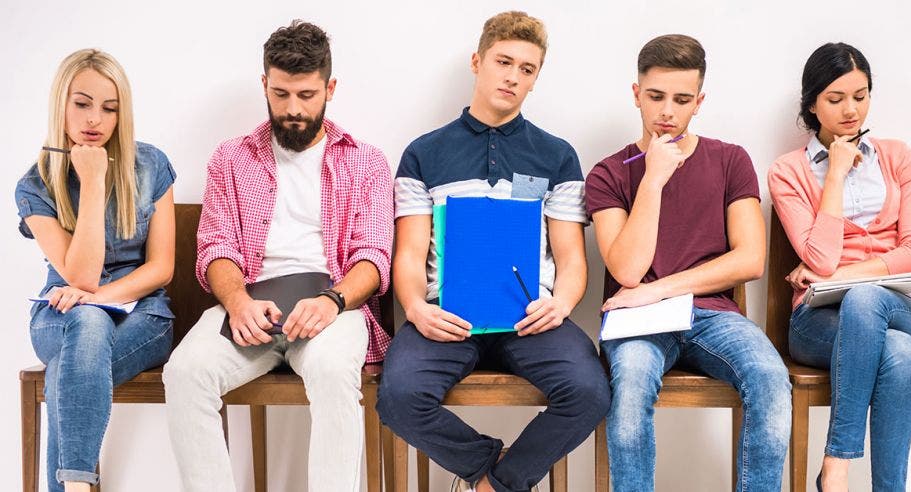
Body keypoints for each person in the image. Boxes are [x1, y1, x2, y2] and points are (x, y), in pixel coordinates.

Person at [376, 11, 610, 492]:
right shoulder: (425, 152)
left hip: (531, 315)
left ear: (536, 79)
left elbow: (570, 258)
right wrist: (417, 309)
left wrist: (561, 305)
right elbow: (410, 252)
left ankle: (491, 485)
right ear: (477, 61)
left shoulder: (557, 155)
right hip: (447, 314)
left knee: (589, 393)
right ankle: (494, 471)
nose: (513, 76)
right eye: (504, 62)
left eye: (527, 69)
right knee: (398, 396)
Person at [162, 20, 393, 491]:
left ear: (330, 88)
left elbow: (373, 255)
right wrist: (237, 301)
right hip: (249, 306)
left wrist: (331, 300)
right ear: (264, 84)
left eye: (306, 95)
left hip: (331, 304)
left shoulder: (365, 161)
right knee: (184, 374)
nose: (292, 109)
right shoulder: (231, 158)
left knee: (331, 373)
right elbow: (216, 247)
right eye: (281, 93)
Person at [585, 34, 791, 492]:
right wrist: (654, 179)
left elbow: (750, 259)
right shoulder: (608, 173)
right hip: (637, 319)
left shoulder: (730, 160)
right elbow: (628, 273)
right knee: (632, 387)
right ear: (636, 94)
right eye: (656, 97)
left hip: (713, 314)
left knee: (771, 378)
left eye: (681, 100)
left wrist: (663, 287)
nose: (667, 113)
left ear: (699, 102)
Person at [768, 42, 911, 492]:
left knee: (866, 297)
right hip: (817, 322)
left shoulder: (898, 157)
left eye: (860, 96)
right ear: (812, 104)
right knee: (902, 354)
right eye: (835, 99)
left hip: (898, 309)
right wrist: (836, 173)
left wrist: (838, 277)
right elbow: (818, 256)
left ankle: (836, 464)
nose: (850, 110)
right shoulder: (789, 171)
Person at [15, 49, 177, 492]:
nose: (95, 120)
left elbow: (161, 268)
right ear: (60, 105)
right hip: (59, 313)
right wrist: (91, 181)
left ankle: (72, 487)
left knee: (63, 371)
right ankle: (80, 485)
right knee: (83, 324)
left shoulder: (151, 165)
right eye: (82, 103)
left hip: (142, 316)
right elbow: (80, 277)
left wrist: (99, 297)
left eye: (110, 108)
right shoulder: (34, 186)